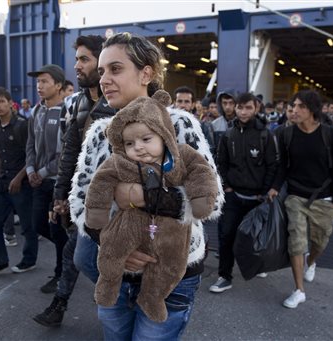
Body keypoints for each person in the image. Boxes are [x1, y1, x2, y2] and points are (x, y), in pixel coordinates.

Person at [69, 32, 223, 339]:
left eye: (115, 69)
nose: (104, 79)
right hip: (116, 272)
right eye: (101, 72)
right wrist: (112, 244)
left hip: (170, 275)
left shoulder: (179, 124)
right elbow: (80, 202)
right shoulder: (100, 132)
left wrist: (142, 197)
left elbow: (211, 199)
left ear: (146, 73)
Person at [85, 91, 218, 322]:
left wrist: (199, 199)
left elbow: (202, 172)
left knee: (173, 266)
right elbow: (100, 182)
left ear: (163, 135)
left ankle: (152, 297)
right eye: (129, 143)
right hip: (129, 223)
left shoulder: (181, 155)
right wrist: (97, 213)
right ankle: (108, 283)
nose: (138, 147)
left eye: (146, 140)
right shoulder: (119, 162)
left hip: (172, 229)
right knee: (112, 251)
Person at [34, 34, 115, 327]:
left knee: (82, 257)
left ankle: (120, 295)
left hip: (115, 202)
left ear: (101, 63)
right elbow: (70, 150)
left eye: (84, 59)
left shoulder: (119, 101)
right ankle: (61, 305)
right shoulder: (79, 102)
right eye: (76, 59)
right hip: (83, 196)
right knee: (75, 254)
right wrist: (61, 194)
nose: (77, 66)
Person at [269, 90, 333, 309]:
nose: (295, 110)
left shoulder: (329, 134)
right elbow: (284, 166)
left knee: (321, 241)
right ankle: (299, 289)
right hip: (295, 196)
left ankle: (311, 261)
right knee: (297, 243)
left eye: (301, 106)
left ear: (312, 110)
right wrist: (274, 187)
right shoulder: (287, 134)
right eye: (293, 106)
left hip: (324, 198)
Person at [209, 92, 277, 293]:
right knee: (226, 234)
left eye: (248, 107)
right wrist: (227, 187)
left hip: (257, 197)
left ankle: (257, 265)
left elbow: (272, 166)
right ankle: (224, 276)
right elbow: (221, 163)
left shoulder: (266, 135)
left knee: (254, 237)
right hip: (233, 195)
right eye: (240, 107)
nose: (243, 111)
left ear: (256, 108)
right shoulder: (229, 134)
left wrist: (263, 193)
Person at [0, 87, 38, 279]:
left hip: (22, 183)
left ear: (10, 103)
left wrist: (19, 177)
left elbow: (32, 155)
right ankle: (0, 261)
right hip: (3, 182)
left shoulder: (22, 125)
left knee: (28, 226)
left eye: (1, 101)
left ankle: (29, 260)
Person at [25, 64, 70, 293]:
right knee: (38, 225)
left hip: (55, 182)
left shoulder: (65, 113)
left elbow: (64, 153)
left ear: (59, 85)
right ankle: (70, 252)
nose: (39, 86)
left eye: (44, 81)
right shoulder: (36, 111)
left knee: (56, 229)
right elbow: (30, 144)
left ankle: (61, 273)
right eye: (38, 82)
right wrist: (31, 168)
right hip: (38, 180)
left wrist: (41, 173)